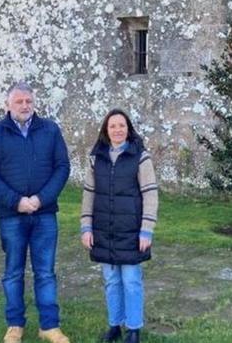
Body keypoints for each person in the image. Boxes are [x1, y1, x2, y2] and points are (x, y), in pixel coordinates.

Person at [0, 81, 72, 343]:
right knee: (13, 272)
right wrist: (15, 200)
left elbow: (62, 167)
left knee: (45, 272)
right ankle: (15, 324)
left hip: (44, 213)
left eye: (28, 101)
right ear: (8, 105)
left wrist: (41, 199)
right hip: (11, 215)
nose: (24, 105)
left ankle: (50, 326)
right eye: (19, 101)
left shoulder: (50, 130)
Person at [80, 109, 159, 343]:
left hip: (131, 231)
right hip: (104, 229)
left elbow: (150, 195)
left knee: (132, 281)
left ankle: (133, 328)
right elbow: (89, 194)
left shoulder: (140, 157)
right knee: (112, 281)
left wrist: (147, 230)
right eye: (112, 126)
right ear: (106, 130)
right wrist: (86, 227)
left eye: (122, 125)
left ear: (128, 129)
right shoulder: (96, 158)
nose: (117, 130)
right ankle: (115, 325)